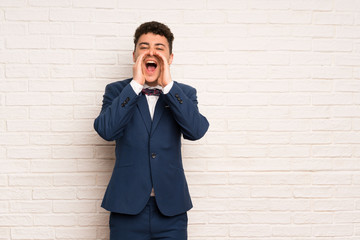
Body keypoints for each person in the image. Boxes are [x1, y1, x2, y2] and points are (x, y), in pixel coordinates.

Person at [94, 21, 209, 240]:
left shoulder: (183, 93)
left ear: (170, 58)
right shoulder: (118, 91)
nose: (152, 52)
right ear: (135, 55)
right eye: (144, 46)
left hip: (172, 211)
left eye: (159, 48)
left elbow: (196, 130)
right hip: (126, 208)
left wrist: (169, 87)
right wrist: (135, 85)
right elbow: (106, 131)